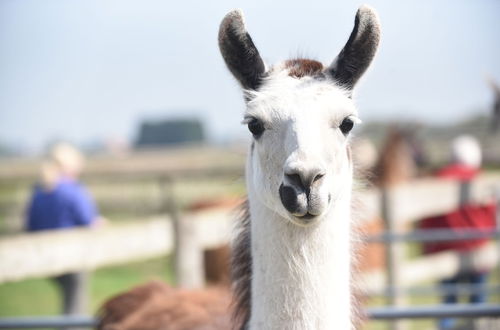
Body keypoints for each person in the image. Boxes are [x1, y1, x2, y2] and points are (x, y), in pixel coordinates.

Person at [419, 135, 496, 330]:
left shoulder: (439, 178)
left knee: (448, 302)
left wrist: (427, 245)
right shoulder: (479, 178)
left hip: (444, 248)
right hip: (477, 248)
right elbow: (491, 216)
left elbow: (427, 217)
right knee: (478, 301)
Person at [26, 142, 102, 316]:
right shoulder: (73, 190)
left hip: (44, 255)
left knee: (69, 300)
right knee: (75, 304)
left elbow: (31, 224)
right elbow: (88, 220)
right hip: (72, 254)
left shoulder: (39, 191)